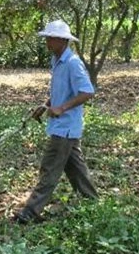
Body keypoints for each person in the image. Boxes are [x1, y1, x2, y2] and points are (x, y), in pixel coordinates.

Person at [15, 20, 98, 224]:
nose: (47, 42)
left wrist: (62, 108)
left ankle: (30, 212)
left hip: (65, 128)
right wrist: (45, 106)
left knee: (49, 169)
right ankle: (93, 203)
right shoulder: (57, 60)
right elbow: (60, 92)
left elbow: (87, 91)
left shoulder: (72, 63)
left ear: (61, 40)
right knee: (75, 169)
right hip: (63, 127)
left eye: (50, 38)